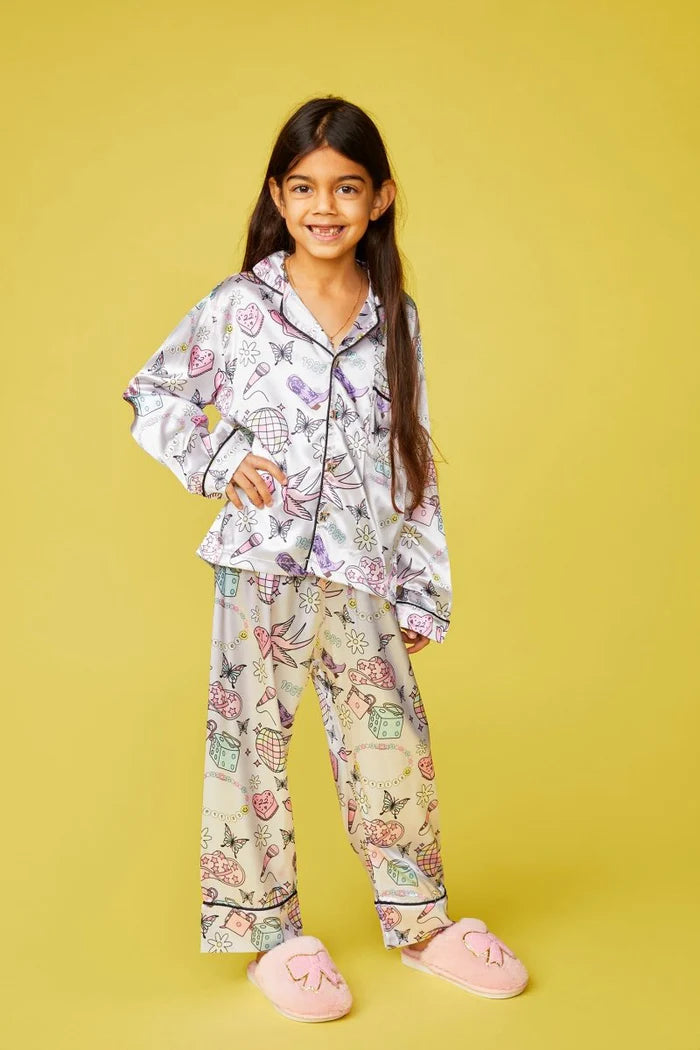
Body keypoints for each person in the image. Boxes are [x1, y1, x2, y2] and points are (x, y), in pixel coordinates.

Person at [122, 95, 529, 1021]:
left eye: (346, 187)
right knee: (249, 745)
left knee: (392, 744)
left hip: (364, 564)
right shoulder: (240, 307)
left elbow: (410, 454)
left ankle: (421, 922)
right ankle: (269, 933)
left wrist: (422, 585)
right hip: (260, 560)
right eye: (304, 187)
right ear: (278, 196)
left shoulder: (396, 316)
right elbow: (154, 393)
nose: (324, 206)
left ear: (380, 198)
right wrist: (220, 460)